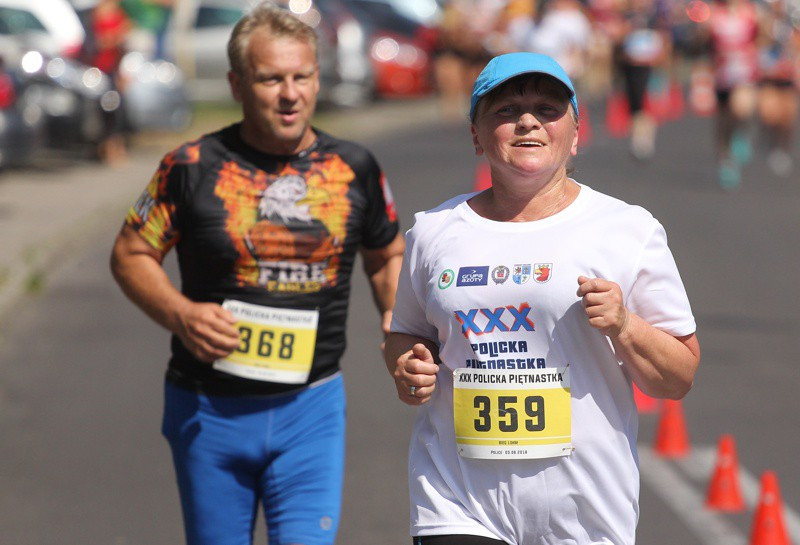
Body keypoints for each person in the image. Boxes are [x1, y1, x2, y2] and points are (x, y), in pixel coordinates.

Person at [110, 3, 404, 544]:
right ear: (237, 84)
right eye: (271, 79)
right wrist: (180, 313)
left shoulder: (353, 167)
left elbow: (386, 254)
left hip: (310, 408)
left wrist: (395, 315)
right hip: (209, 409)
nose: (290, 94)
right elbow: (130, 253)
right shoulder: (191, 166)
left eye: (302, 76)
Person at [385, 52, 700, 544]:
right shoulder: (433, 232)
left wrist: (625, 324)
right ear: (475, 133)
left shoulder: (627, 230)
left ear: (575, 134)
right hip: (457, 503)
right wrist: (407, 366)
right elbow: (405, 333)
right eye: (506, 110)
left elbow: (678, 376)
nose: (527, 120)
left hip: (584, 512)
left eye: (548, 109)